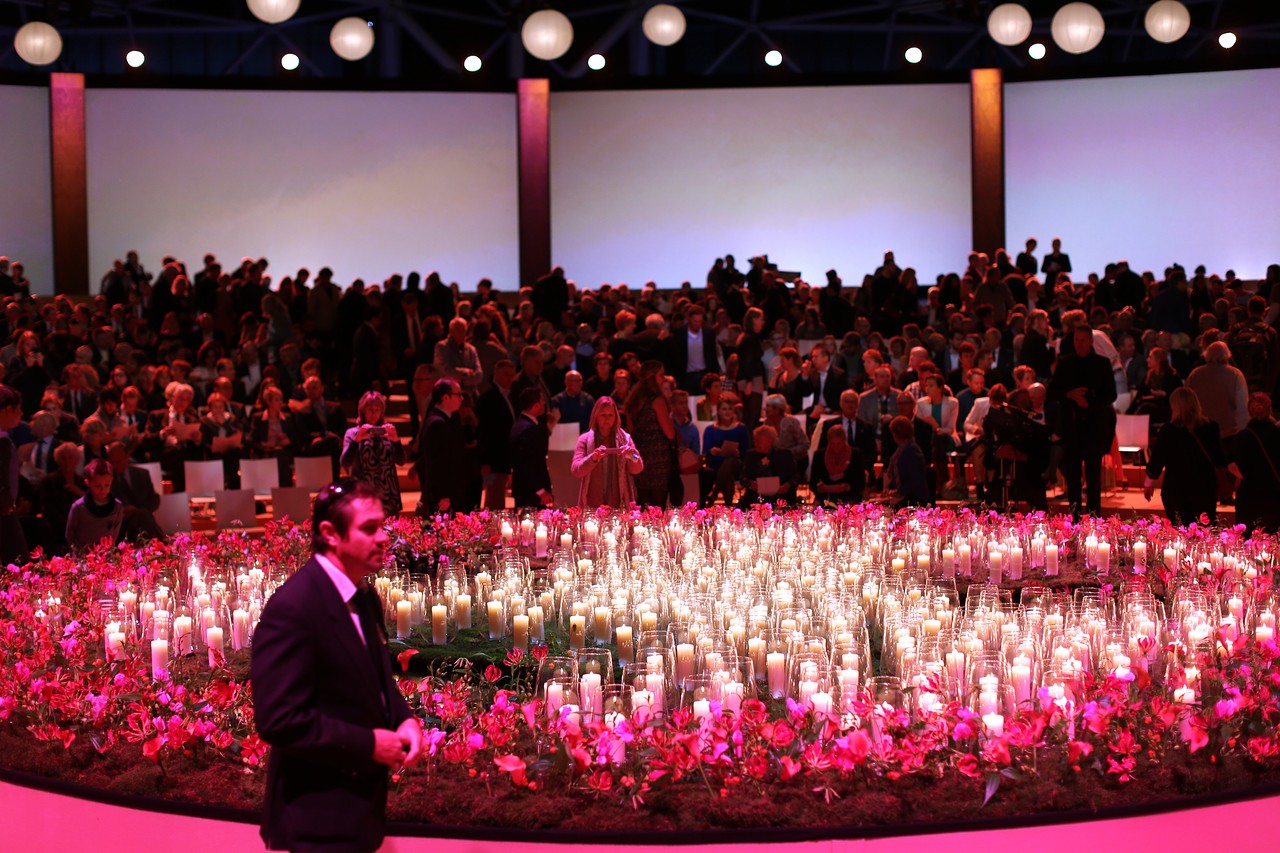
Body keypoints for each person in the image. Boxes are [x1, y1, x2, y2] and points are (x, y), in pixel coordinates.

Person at [252, 480, 422, 853]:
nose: (383, 538)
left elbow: (377, 677)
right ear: (329, 534)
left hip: (357, 815)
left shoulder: (363, 595)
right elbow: (279, 719)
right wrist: (370, 744)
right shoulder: (293, 608)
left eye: (383, 526)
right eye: (369, 528)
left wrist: (403, 718)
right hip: (315, 820)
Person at [1048, 325, 1117, 517]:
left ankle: (1094, 518)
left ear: (1091, 341)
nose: (1080, 344)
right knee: (1073, 476)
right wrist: (1069, 394)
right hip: (1071, 427)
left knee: (1094, 477)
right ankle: (1075, 516)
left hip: (1094, 426)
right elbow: (1052, 392)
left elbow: (1111, 395)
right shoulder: (1065, 363)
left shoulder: (1102, 364)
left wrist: (1089, 404)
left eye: (1084, 340)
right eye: (1077, 340)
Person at [1143, 387, 1226, 526]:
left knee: (1181, 530)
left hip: (1176, 489)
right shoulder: (1211, 428)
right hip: (1204, 488)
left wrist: (1148, 482)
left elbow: (1157, 458)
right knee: (1204, 530)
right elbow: (1219, 458)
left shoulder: (1169, 431)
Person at [570, 396, 643, 508]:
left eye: (610, 415)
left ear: (615, 417)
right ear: (596, 416)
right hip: (592, 502)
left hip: (619, 503)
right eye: (603, 415)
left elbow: (637, 469)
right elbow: (576, 470)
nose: (607, 419)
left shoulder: (626, 439)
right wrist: (592, 458)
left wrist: (631, 455)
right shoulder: (584, 439)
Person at [416, 379, 475, 515]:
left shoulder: (448, 419)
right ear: (445, 397)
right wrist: (443, 495)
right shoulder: (437, 423)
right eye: (458, 394)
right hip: (445, 495)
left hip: (451, 491)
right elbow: (437, 463)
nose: (462, 398)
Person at [342, 391, 405, 515]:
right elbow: (345, 462)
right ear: (362, 410)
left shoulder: (387, 431)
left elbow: (401, 461)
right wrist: (356, 440)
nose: (374, 413)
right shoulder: (352, 432)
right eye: (370, 409)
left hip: (388, 494)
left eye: (378, 409)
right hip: (363, 493)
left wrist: (396, 441)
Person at [624, 361, 676, 507]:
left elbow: (629, 433)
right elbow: (670, 434)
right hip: (658, 458)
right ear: (652, 377)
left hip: (639, 456)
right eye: (661, 375)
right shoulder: (657, 401)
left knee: (641, 503)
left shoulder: (633, 400)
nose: (664, 379)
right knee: (657, 506)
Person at [1232, 392, 1280, 535]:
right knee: (1270, 541)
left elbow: (1236, 468)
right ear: (1270, 409)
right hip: (1273, 496)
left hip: (1248, 497)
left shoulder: (1242, 438)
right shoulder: (1277, 435)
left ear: (1249, 411)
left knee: (1247, 541)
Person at [65, 458, 123, 552]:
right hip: (83, 558)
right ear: (88, 482)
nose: (102, 490)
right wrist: (81, 553)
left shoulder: (117, 507)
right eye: (98, 486)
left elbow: (114, 535)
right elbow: (70, 535)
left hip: (106, 556)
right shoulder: (78, 508)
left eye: (106, 485)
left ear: (111, 481)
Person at [701, 397, 750, 506]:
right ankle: (728, 505)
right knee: (725, 469)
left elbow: (746, 452)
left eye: (730, 409)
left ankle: (715, 493)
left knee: (729, 462)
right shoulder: (710, 429)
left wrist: (737, 453)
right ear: (718, 411)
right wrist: (712, 451)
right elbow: (705, 452)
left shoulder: (741, 429)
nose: (727, 412)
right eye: (724, 409)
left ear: (733, 411)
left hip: (736, 465)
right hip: (716, 464)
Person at [510, 387, 554, 508]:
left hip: (524, 487)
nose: (544, 403)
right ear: (535, 406)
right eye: (542, 401)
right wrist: (540, 489)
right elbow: (528, 462)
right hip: (530, 491)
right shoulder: (529, 429)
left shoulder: (520, 424)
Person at [739, 424, 797, 507]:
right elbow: (743, 477)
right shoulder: (751, 455)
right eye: (754, 441)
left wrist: (787, 485)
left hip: (781, 497)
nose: (755, 444)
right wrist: (751, 483)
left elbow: (795, 476)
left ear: (769, 441)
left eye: (758, 441)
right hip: (756, 497)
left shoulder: (784, 455)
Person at [0, 385, 27, 564]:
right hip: (2, 513)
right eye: (18, 410)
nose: (21, 414)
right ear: (8, 409)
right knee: (18, 564)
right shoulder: (2, 442)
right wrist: (6, 505)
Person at [881, 415, 929, 508]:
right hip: (906, 495)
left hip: (914, 498)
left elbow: (915, 479)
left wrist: (899, 492)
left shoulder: (912, 450)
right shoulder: (902, 449)